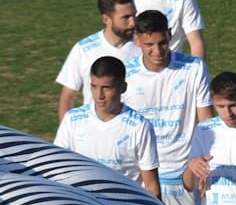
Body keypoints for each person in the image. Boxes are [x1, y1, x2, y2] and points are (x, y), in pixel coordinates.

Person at [122, 9, 214, 205]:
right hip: (143, 179)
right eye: (149, 45)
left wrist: (204, 164)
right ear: (137, 40)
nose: (157, 51)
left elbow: (206, 123)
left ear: (170, 34)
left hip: (185, 176)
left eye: (162, 43)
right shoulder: (126, 75)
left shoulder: (194, 68)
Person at [55, 56, 159, 197]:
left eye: (106, 88)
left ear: (123, 87)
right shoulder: (72, 120)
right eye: (94, 87)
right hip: (84, 204)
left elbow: (151, 185)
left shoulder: (140, 127)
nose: (99, 95)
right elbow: (58, 168)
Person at [56, 0, 138, 120]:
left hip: (133, 128)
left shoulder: (144, 46)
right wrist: (65, 130)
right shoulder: (83, 50)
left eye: (134, 15)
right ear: (106, 19)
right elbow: (68, 97)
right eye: (126, 18)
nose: (133, 23)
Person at [185, 72, 236, 205]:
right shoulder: (204, 129)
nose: (227, 113)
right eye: (220, 106)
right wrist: (192, 167)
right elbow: (189, 185)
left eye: (233, 105)